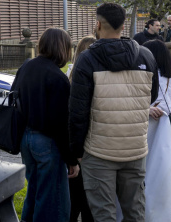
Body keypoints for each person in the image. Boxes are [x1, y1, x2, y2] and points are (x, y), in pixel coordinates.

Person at [69, 3, 156, 222]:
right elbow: (150, 97)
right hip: (135, 150)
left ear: (97, 25)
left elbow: (78, 111)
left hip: (99, 151)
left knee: (103, 214)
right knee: (135, 212)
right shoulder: (145, 56)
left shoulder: (87, 59)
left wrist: (76, 151)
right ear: (123, 24)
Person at [12, 27, 80, 222]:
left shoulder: (26, 67)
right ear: (62, 48)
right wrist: (72, 159)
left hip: (26, 138)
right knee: (52, 200)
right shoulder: (58, 78)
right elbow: (60, 125)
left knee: (33, 191)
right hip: (47, 142)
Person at [143, 40, 171, 221]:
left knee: (146, 181)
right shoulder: (169, 80)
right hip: (166, 139)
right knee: (162, 181)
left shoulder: (149, 78)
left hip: (149, 137)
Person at [68, 35, 96, 222]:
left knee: (73, 197)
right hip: (91, 143)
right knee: (89, 199)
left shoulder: (71, 73)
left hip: (76, 145)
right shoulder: (96, 74)